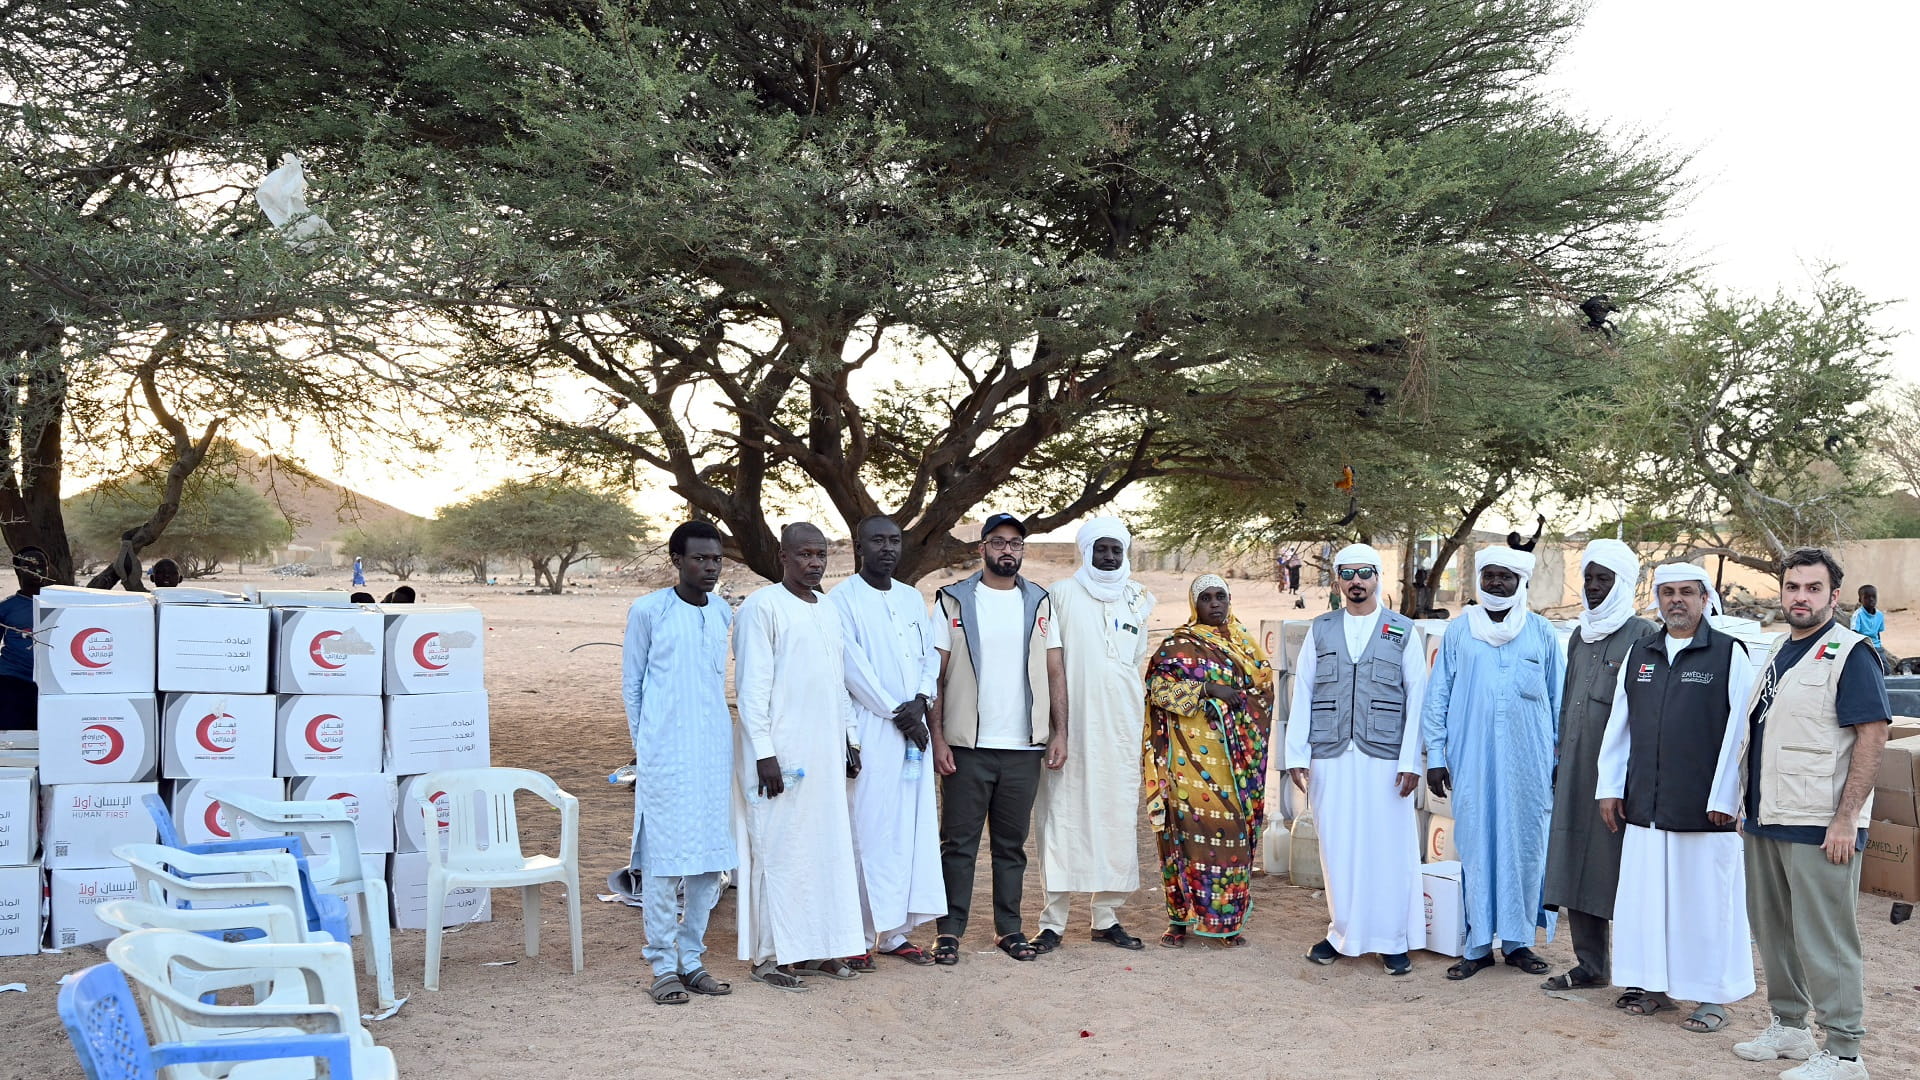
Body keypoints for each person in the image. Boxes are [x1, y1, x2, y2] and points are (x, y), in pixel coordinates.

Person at [1732, 548, 1891, 1080]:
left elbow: (1872, 737)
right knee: (1774, 931)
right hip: (1765, 816)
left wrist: (1847, 818)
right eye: (1793, 587)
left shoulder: (1852, 653)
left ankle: (1845, 1052)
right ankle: (1791, 1027)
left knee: (1827, 937)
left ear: (1833, 596)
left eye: (1813, 588)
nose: (1801, 596)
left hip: (1820, 822)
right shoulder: (1780, 648)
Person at [1596, 563, 1756, 1034]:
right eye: (1667, 592)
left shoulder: (1728, 653)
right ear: (1657, 599)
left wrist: (1727, 794)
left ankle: (1713, 996)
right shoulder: (1640, 653)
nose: (1676, 601)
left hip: (1705, 809)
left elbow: (1739, 734)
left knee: (1707, 905)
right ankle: (1652, 987)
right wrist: (1609, 787)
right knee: (1648, 902)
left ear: (1706, 598)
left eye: (1687, 592)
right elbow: (1619, 727)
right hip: (1645, 805)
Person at [732, 522, 867, 991]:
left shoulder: (828, 609)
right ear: (783, 557)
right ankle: (771, 957)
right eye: (805, 554)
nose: (815, 563)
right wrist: (764, 754)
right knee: (779, 852)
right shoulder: (761, 607)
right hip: (782, 756)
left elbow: (839, 684)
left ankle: (818, 950)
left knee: (826, 851)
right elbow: (751, 690)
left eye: (821, 555)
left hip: (827, 752)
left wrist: (851, 741)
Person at [1421, 546, 1563, 980]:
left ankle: (1520, 943)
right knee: (1477, 845)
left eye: (1506, 577)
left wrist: (1560, 758)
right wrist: (1435, 755)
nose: (1497, 584)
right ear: (1479, 581)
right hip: (1472, 759)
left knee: (1526, 846)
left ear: (1522, 582)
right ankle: (1479, 944)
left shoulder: (1542, 633)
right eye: (1490, 576)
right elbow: (1438, 696)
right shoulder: (1460, 633)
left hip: (1530, 763)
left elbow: (1559, 701)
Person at [927, 513, 1064, 964]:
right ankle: (949, 932)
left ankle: (1009, 929)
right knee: (958, 844)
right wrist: (940, 738)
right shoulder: (953, 601)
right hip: (968, 748)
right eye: (999, 542)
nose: (1008, 550)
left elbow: (1054, 669)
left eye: (1015, 544)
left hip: (1023, 748)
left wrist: (1059, 732)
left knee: (1012, 847)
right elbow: (938, 674)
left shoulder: (1040, 601)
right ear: (982, 548)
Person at [1285, 543, 1427, 974]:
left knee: (1388, 847)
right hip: (1329, 754)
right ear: (1337, 581)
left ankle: (1392, 939)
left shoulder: (1401, 630)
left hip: (1384, 756)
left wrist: (1410, 762)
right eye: (1348, 574)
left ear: (1377, 577)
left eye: (1365, 573)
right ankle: (1342, 931)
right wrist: (1297, 753)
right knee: (1338, 845)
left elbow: (1417, 696)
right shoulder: (1322, 628)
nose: (1356, 581)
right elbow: (1303, 690)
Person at [620, 521, 737, 1005]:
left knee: (709, 866)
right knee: (665, 866)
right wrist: (647, 748)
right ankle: (662, 965)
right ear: (676, 560)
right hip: (665, 756)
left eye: (715, 560)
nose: (709, 568)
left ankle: (692, 960)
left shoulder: (723, 613)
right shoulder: (649, 611)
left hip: (713, 756)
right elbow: (633, 686)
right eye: (699, 559)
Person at [826, 515, 944, 970]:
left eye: (894, 541)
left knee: (908, 831)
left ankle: (896, 933)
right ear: (860, 548)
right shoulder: (842, 601)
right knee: (867, 830)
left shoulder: (912, 598)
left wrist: (920, 701)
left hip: (913, 729)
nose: (888, 549)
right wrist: (900, 712)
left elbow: (927, 657)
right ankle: (856, 935)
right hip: (874, 730)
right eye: (878, 541)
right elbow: (853, 669)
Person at [1033, 517, 1155, 953]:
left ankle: (1106, 917)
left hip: (1120, 727)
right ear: (1085, 552)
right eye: (1100, 549)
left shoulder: (1140, 598)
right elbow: (1050, 661)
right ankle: (1053, 921)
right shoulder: (1060, 594)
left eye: (1115, 550)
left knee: (1114, 817)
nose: (1107, 557)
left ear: (1125, 553)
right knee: (1062, 818)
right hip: (1071, 726)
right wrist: (1055, 727)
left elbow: (1135, 659)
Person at [1541, 539, 1655, 993]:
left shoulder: (1642, 635)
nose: (1592, 587)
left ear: (1622, 583)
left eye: (1602, 579)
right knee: (1574, 861)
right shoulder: (1578, 635)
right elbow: (1569, 702)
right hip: (1575, 770)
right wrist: (1560, 760)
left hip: (1620, 776)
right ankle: (1590, 965)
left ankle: (1635, 973)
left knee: (1620, 870)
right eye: (1588, 578)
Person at [1144, 574, 1273, 947]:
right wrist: (1207, 690)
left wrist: (1234, 699)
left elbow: (1262, 689)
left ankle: (1226, 923)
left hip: (1234, 766)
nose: (1215, 604)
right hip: (1184, 764)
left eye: (1221, 597)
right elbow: (1156, 689)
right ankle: (1179, 921)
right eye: (1207, 598)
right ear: (1193, 604)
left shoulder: (1246, 646)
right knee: (1180, 838)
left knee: (1230, 838)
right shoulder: (1176, 645)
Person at [0, 548, 49, 728]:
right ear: (17, 569)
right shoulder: (6, 608)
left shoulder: (61, 604)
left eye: (41, 565)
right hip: (13, 681)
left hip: (51, 685)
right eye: (29, 565)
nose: (37, 570)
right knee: (14, 740)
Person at [1850, 585, 1887, 670]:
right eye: (1867, 597)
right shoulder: (1858, 615)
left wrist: (1879, 646)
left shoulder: (1879, 615)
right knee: (1864, 668)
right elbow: (1854, 633)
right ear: (1860, 600)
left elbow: (1878, 633)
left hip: (1876, 646)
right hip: (1863, 646)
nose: (1871, 599)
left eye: (1874, 597)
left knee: (1885, 669)